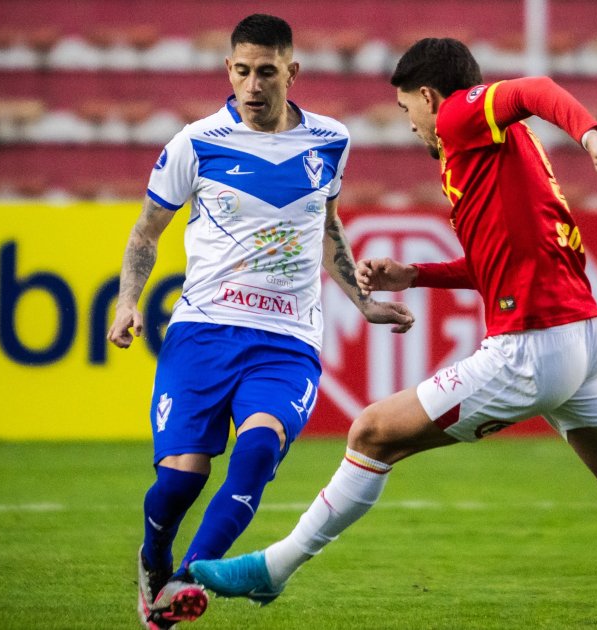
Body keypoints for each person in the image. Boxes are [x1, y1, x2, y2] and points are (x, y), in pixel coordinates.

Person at [188, 37, 597, 630]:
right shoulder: (500, 150)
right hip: (584, 337)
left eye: (406, 109)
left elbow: (535, 88)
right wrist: (416, 274)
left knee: (370, 433)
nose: (411, 124)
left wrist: (592, 138)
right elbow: (498, 261)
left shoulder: (462, 116)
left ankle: (274, 570)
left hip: (533, 346)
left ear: (429, 96)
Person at [106, 14, 414, 629]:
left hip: (286, 340)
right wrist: (127, 302)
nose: (253, 85)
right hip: (202, 332)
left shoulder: (330, 141)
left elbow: (326, 227)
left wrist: (362, 302)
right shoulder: (195, 143)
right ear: (228, 70)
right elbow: (146, 232)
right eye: (243, 71)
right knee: (180, 482)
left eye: (267, 72)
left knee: (256, 451)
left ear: (291, 72)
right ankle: (154, 557)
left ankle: (185, 582)